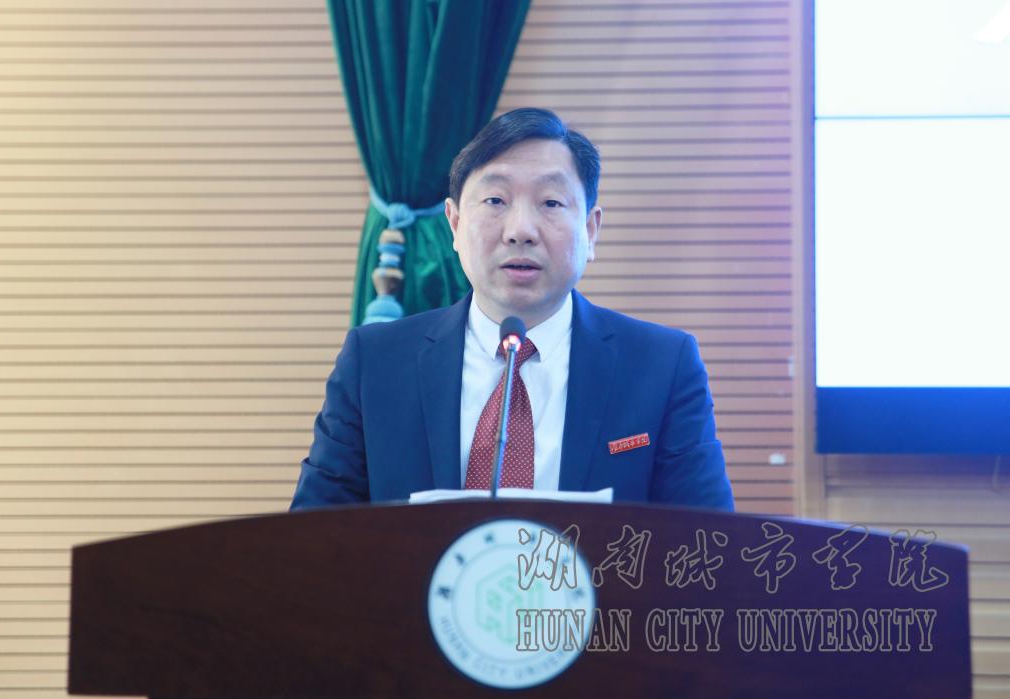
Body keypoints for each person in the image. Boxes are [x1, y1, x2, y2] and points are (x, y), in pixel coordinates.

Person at [290, 108, 734, 511]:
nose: (520, 230)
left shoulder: (662, 366)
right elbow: (311, 541)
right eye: (495, 201)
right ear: (455, 224)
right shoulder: (374, 363)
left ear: (591, 230)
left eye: (551, 203)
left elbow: (709, 546)